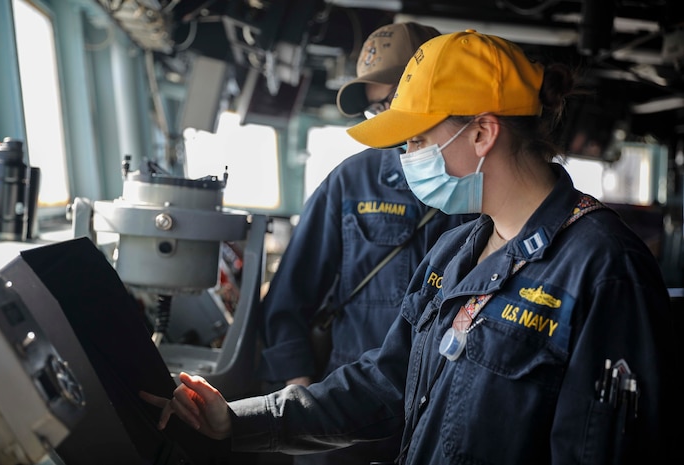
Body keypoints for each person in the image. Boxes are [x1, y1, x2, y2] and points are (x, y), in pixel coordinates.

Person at [141, 30, 678, 464]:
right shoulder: (455, 250)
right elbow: (385, 382)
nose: (406, 156)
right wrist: (238, 419)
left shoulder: (605, 270)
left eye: (418, 139)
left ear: (481, 134)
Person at [256, 21, 476, 465]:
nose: (390, 124)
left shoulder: (483, 185)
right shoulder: (350, 183)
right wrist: (301, 393)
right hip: (349, 418)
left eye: (392, 102)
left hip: (449, 417)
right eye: (376, 112)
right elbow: (288, 301)